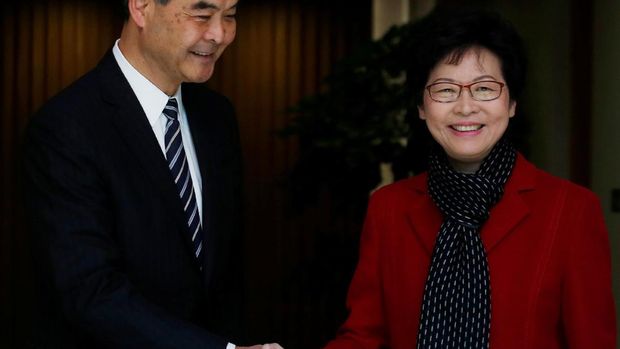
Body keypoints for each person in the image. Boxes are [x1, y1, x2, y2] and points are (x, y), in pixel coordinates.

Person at [323, 8, 616, 349]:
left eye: (484, 88)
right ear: (421, 106)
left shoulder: (572, 210)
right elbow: (363, 338)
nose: (465, 107)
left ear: (512, 103)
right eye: (446, 90)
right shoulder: (388, 207)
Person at [22, 0, 282, 348]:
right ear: (141, 7)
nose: (220, 34)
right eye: (202, 15)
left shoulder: (217, 117)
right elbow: (90, 292)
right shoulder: (66, 128)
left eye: (231, 15)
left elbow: (226, 278)